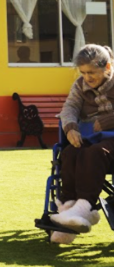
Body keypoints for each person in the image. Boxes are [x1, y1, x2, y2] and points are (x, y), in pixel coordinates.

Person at [48, 44, 114, 244]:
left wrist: (107, 120)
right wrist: (70, 128)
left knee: (94, 153)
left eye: (91, 72)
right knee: (70, 153)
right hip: (92, 137)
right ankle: (69, 209)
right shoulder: (79, 86)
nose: (87, 78)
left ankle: (84, 207)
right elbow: (69, 108)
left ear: (107, 67)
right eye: (83, 73)